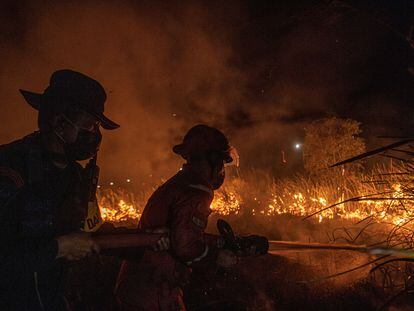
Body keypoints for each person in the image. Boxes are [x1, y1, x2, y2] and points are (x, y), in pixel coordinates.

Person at [0, 69, 120, 310]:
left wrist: (146, 238)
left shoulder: (75, 175)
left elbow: (89, 234)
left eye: (97, 127)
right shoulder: (11, 168)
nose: (95, 136)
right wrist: (57, 248)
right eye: (89, 125)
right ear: (58, 121)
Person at [115, 124, 242, 311]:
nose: (222, 169)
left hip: (139, 288)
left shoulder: (179, 183)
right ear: (213, 159)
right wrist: (217, 257)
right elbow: (185, 245)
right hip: (156, 293)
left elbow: (179, 232)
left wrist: (219, 243)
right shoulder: (196, 189)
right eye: (222, 162)